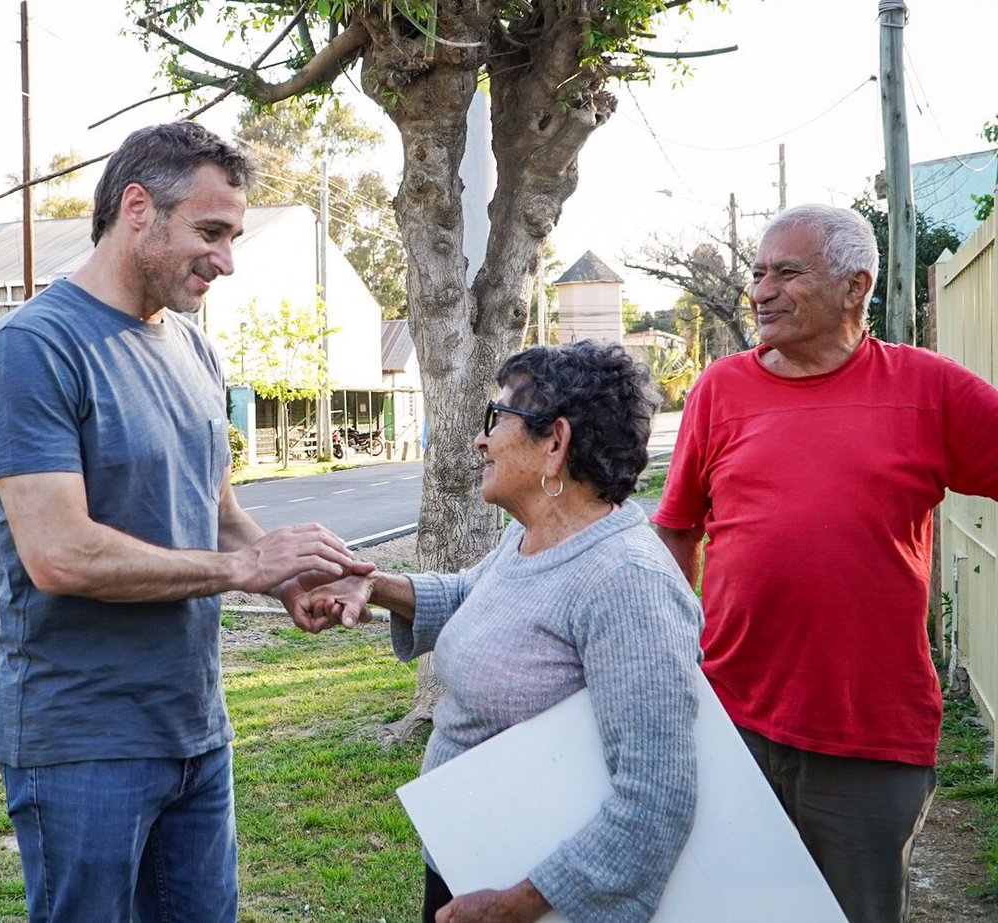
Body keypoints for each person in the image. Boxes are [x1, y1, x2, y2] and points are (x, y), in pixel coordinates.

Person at [0, 122, 371, 923]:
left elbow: (214, 512)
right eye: (211, 232)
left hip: (194, 730)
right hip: (82, 740)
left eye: (233, 235)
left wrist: (287, 574)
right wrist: (241, 571)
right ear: (138, 208)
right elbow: (61, 556)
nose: (226, 259)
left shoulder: (195, 349)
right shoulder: (32, 351)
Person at [651, 204, 998, 923]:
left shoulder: (926, 389)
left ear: (854, 286)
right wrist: (663, 657)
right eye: (756, 273)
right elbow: (678, 532)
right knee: (728, 910)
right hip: (732, 719)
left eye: (787, 272)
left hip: (868, 729)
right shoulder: (720, 391)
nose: (760, 291)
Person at [301, 340, 704, 923]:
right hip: (472, 864)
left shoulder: (626, 582)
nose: (480, 439)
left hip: (533, 899)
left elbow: (658, 795)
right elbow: (475, 597)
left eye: (497, 418)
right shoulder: (534, 537)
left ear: (555, 442)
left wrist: (521, 904)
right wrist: (374, 584)